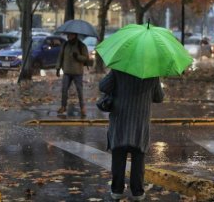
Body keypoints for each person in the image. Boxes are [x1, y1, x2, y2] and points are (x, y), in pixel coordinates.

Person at [99, 70, 164, 201]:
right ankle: (138, 192)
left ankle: (117, 191)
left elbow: (103, 86)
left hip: (120, 120)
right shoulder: (152, 73)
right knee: (138, 159)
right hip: (140, 122)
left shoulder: (119, 69)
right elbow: (159, 97)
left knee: (118, 158)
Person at [56, 33, 89, 117]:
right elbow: (60, 56)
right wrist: (58, 68)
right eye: (68, 35)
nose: (68, 36)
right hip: (67, 71)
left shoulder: (81, 45)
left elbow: (86, 58)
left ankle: (82, 108)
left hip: (77, 72)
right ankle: (63, 106)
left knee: (79, 90)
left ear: (75, 35)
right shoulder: (65, 45)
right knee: (64, 89)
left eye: (70, 35)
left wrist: (77, 56)